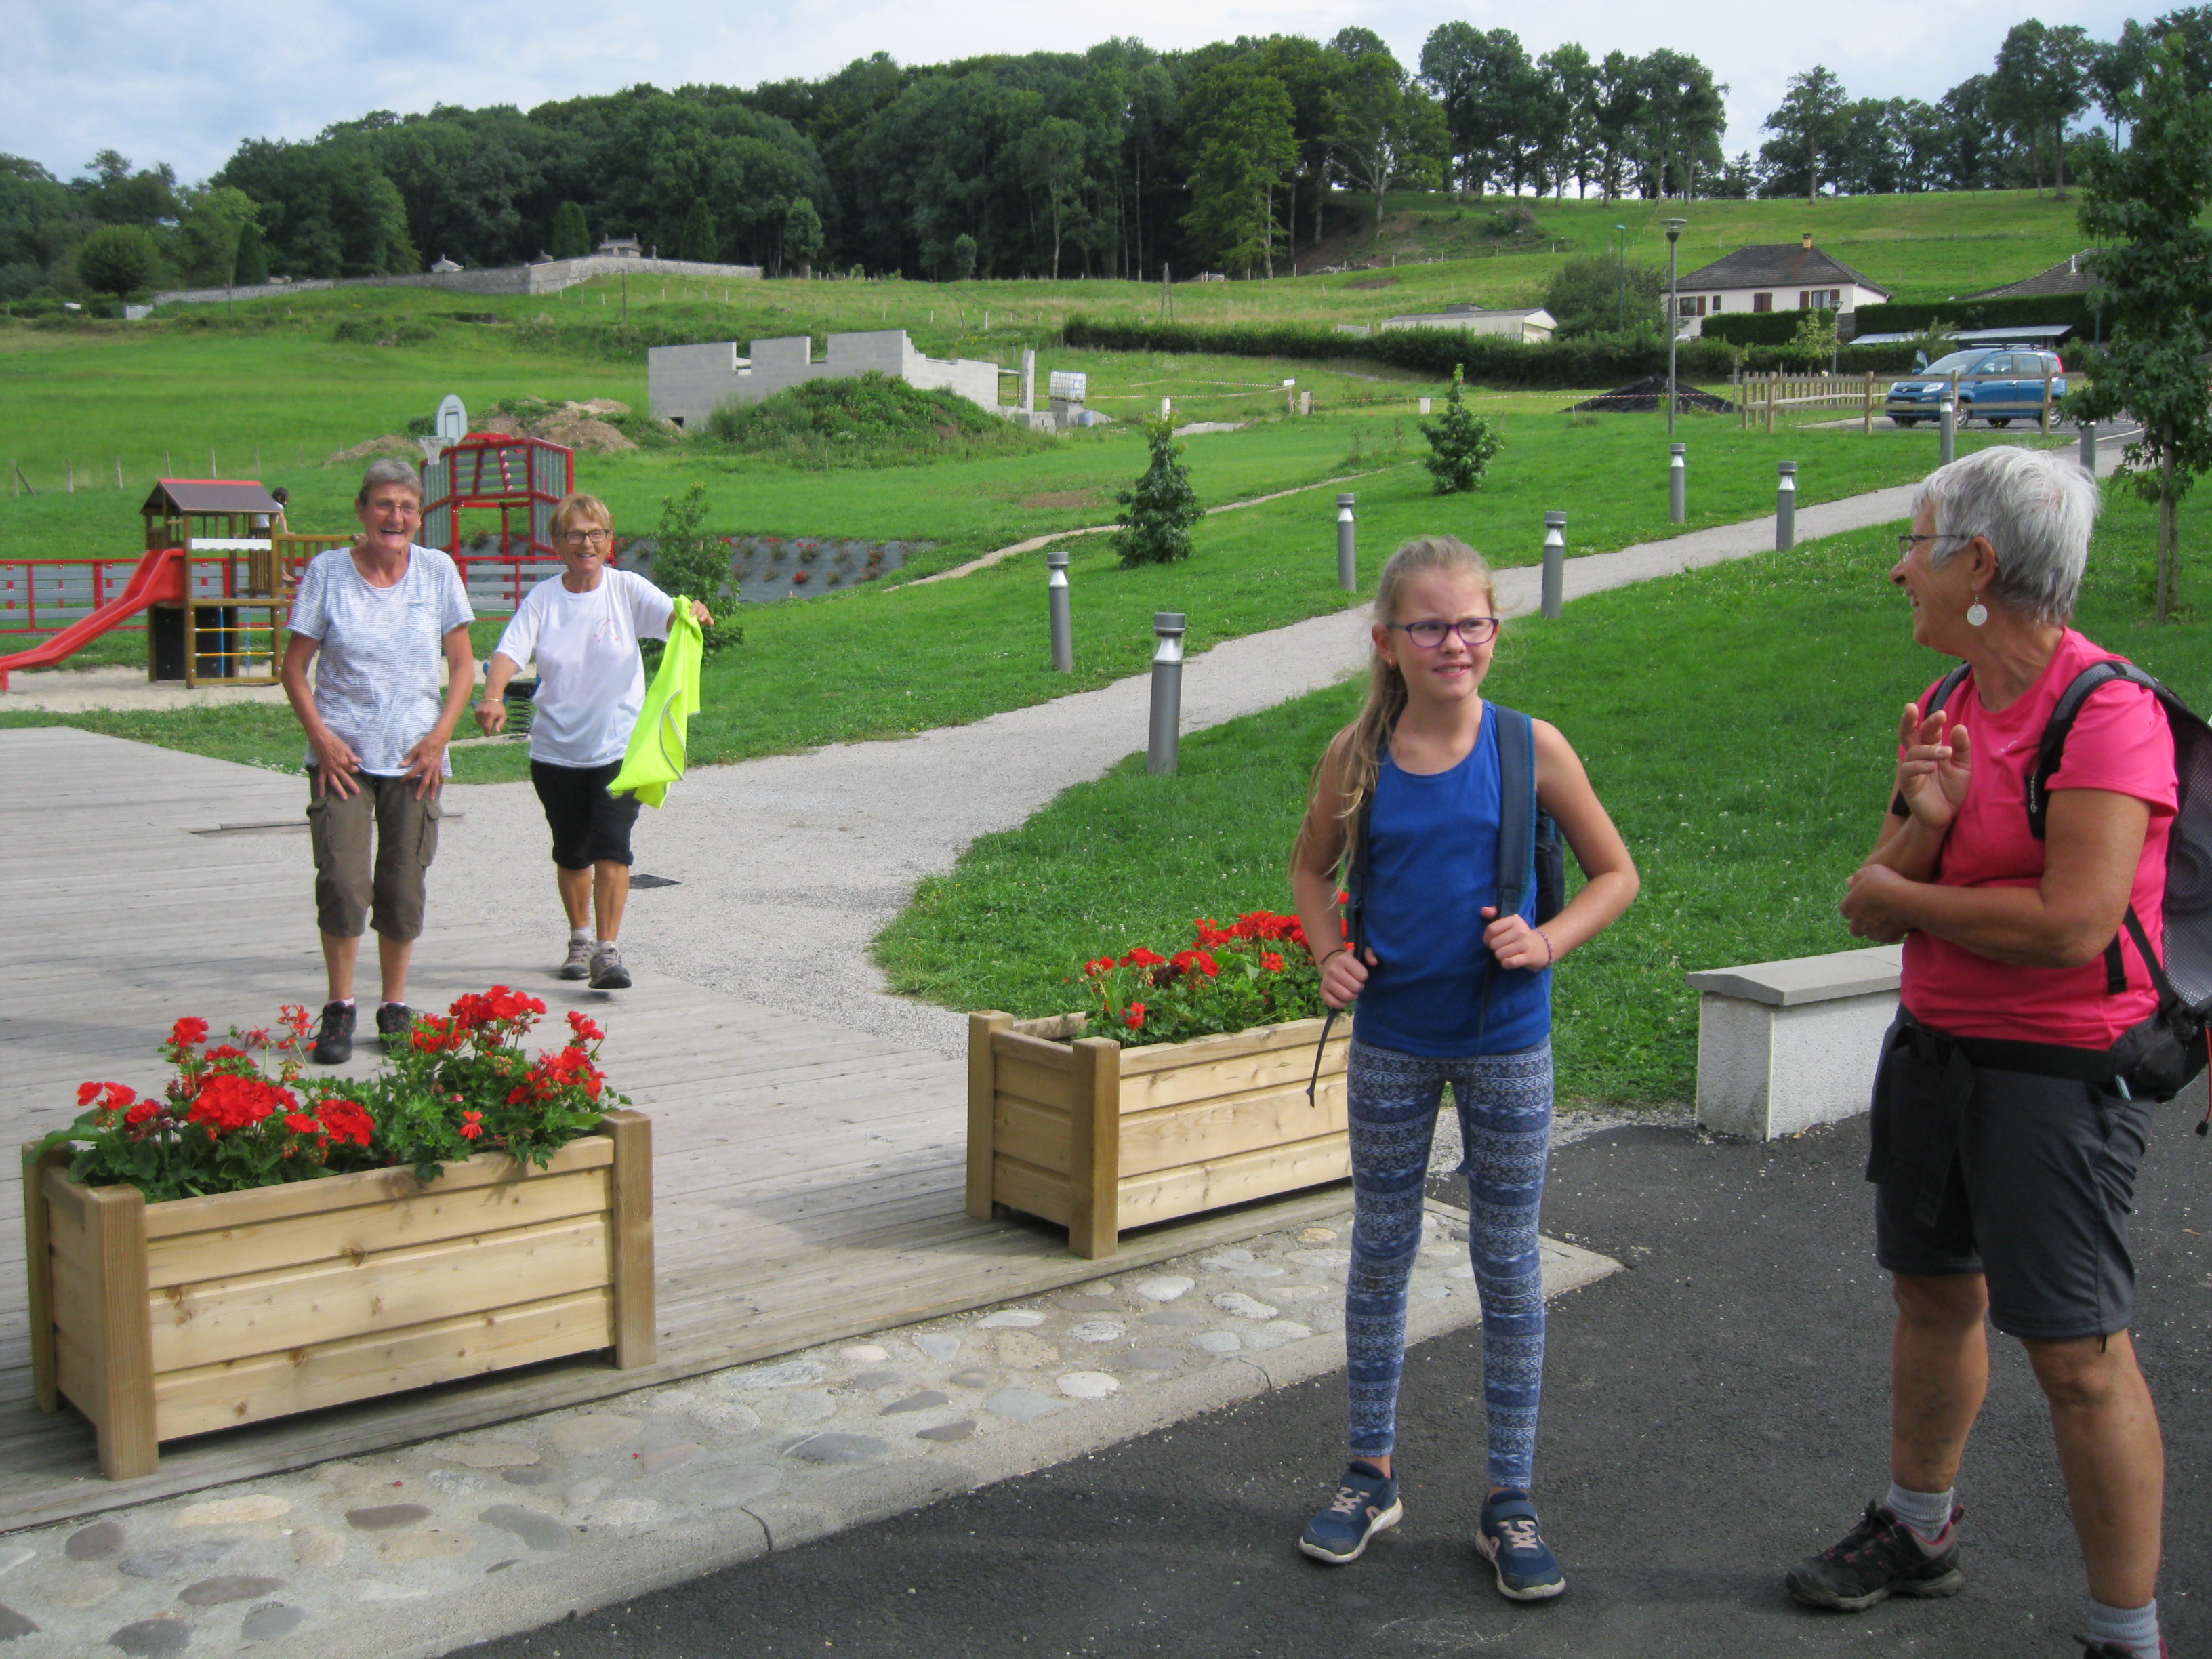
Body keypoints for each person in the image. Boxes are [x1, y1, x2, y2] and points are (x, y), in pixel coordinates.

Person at [1804, 446, 2173, 1659]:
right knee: (1930, 1291)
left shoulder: (2104, 709)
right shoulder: (1955, 708)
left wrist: (1910, 892)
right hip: (1935, 1050)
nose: (1895, 569)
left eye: (1912, 543)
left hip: (2054, 1079)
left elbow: (2071, 923)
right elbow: (1864, 903)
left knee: (2074, 1354)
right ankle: (1917, 1529)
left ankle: (2124, 1631)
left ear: (1977, 563)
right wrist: (1921, 826)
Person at [1287, 535, 1639, 1599]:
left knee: (1510, 1265)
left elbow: (1615, 874)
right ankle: (1369, 1472)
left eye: (1472, 623)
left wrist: (1549, 939)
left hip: (1505, 1045)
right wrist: (1328, 956)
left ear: (1496, 630)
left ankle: (1510, 1498)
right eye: (1430, 627)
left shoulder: (1533, 750)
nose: (1455, 644)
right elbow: (1312, 867)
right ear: (1387, 642)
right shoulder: (1356, 755)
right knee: (1381, 1252)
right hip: (1392, 1040)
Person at [280, 457, 476, 1065]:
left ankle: (395, 1005)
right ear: (362, 511)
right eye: (384, 505)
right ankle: (340, 1007)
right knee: (342, 881)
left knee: (402, 884)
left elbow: (465, 666)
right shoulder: (329, 573)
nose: (396, 517)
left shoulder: (438, 572)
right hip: (344, 759)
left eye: (407, 507)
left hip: (415, 759)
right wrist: (322, 740)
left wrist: (441, 737)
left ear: (420, 516)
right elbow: (293, 668)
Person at [474, 493, 710, 990]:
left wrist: (692, 616)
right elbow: (508, 652)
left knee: (612, 847)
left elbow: (672, 619)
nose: (587, 543)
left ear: (609, 540)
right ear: (558, 542)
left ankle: (607, 950)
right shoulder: (543, 599)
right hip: (555, 751)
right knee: (571, 851)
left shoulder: (626, 590)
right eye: (576, 534)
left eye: (596, 533)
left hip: (618, 750)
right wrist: (493, 695)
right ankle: (579, 938)